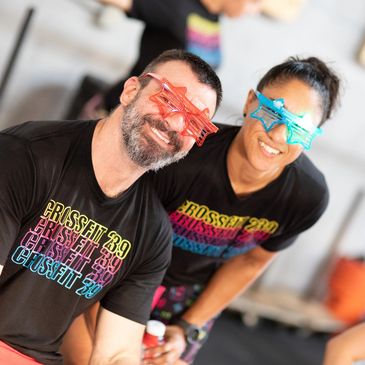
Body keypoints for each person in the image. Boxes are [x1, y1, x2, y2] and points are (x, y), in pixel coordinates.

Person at [62, 56, 341, 365]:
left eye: (299, 129)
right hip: (119, 268)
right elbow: (113, 235)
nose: (278, 135)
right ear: (251, 101)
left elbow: (251, 262)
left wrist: (186, 328)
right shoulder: (185, 154)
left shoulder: (306, 197)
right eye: (273, 112)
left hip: (189, 297)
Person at [0, 49, 222, 365]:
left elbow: (116, 353)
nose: (175, 123)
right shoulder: (24, 155)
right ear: (131, 90)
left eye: (194, 121)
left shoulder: (152, 233)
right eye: (170, 100)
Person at [66, 0, 261, 119]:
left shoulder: (213, 19)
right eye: (255, 1)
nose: (255, 11)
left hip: (158, 122)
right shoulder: (177, 4)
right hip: (117, 113)